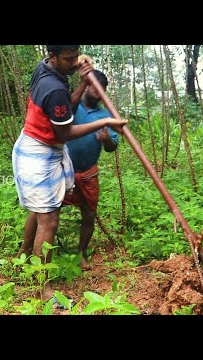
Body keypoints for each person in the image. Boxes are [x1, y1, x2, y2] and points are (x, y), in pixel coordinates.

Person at [12, 45, 128, 301]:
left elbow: (68, 103)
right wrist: (106, 123)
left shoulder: (47, 69)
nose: (75, 62)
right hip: (40, 151)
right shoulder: (53, 89)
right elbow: (63, 133)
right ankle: (42, 288)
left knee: (47, 211)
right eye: (69, 59)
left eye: (76, 56)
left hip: (49, 151)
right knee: (49, 219)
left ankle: (26, 259)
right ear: (53, 57)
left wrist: (80, 67)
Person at [62, 69, 118, 270]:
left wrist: (107, 140)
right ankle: (41, 253)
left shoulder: (106, 114)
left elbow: (112, 147)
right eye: (93, 86)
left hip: (88, 172)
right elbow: (64, 110)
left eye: (101, 89)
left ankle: (81, 254)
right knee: (49, 210)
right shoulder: (73, 105)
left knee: (88, 214)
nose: (97, 91)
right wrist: (84, 82)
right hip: (62, 170)